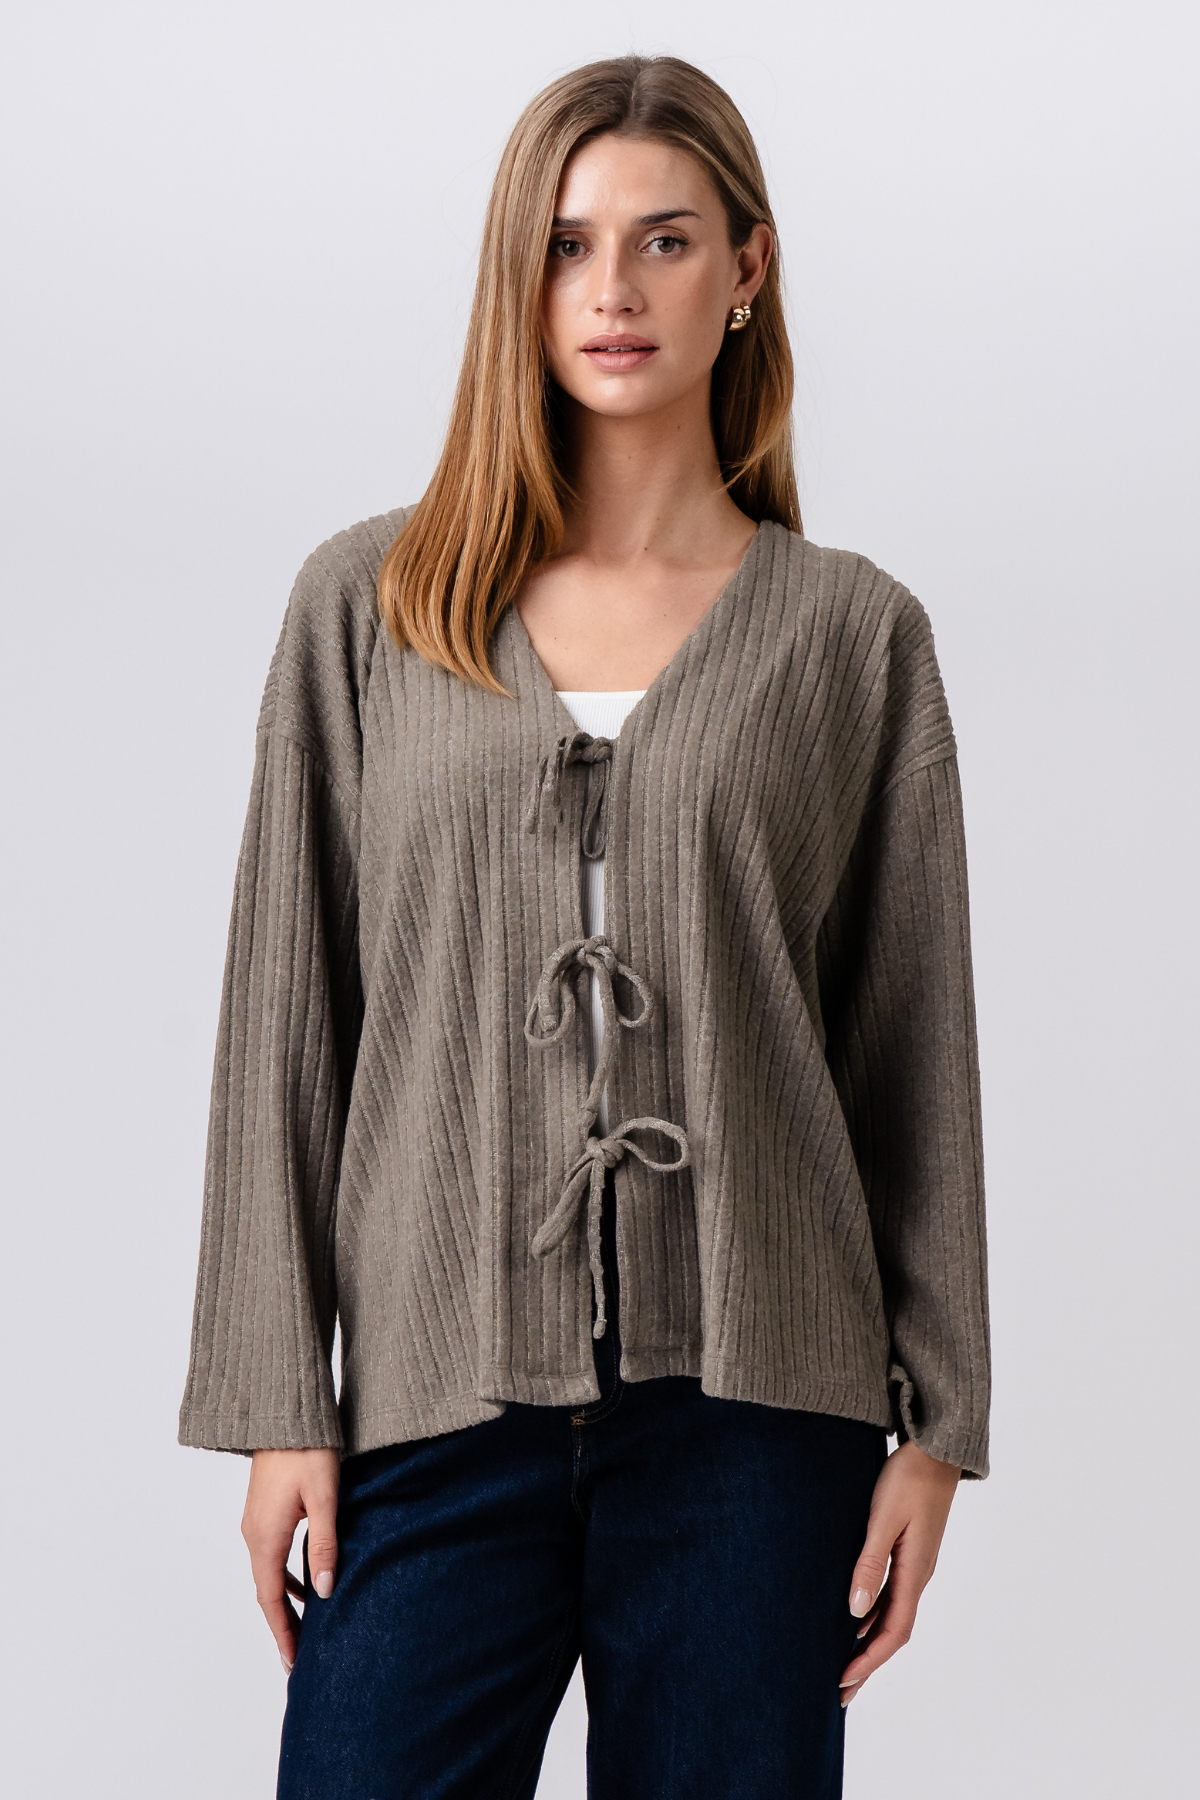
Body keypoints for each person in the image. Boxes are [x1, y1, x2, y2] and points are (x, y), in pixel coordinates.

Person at [179, 52, 991, 1800]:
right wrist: (278, 1403)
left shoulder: (855, 637)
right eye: (565, 245)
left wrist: (936, 1427)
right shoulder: (371, 608)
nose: (612, 289)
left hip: (761, 1420)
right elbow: (284, 1020)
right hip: (434, 1399)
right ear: (516, 278)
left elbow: (912, 1048)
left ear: (747, 269)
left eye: (664, 240)